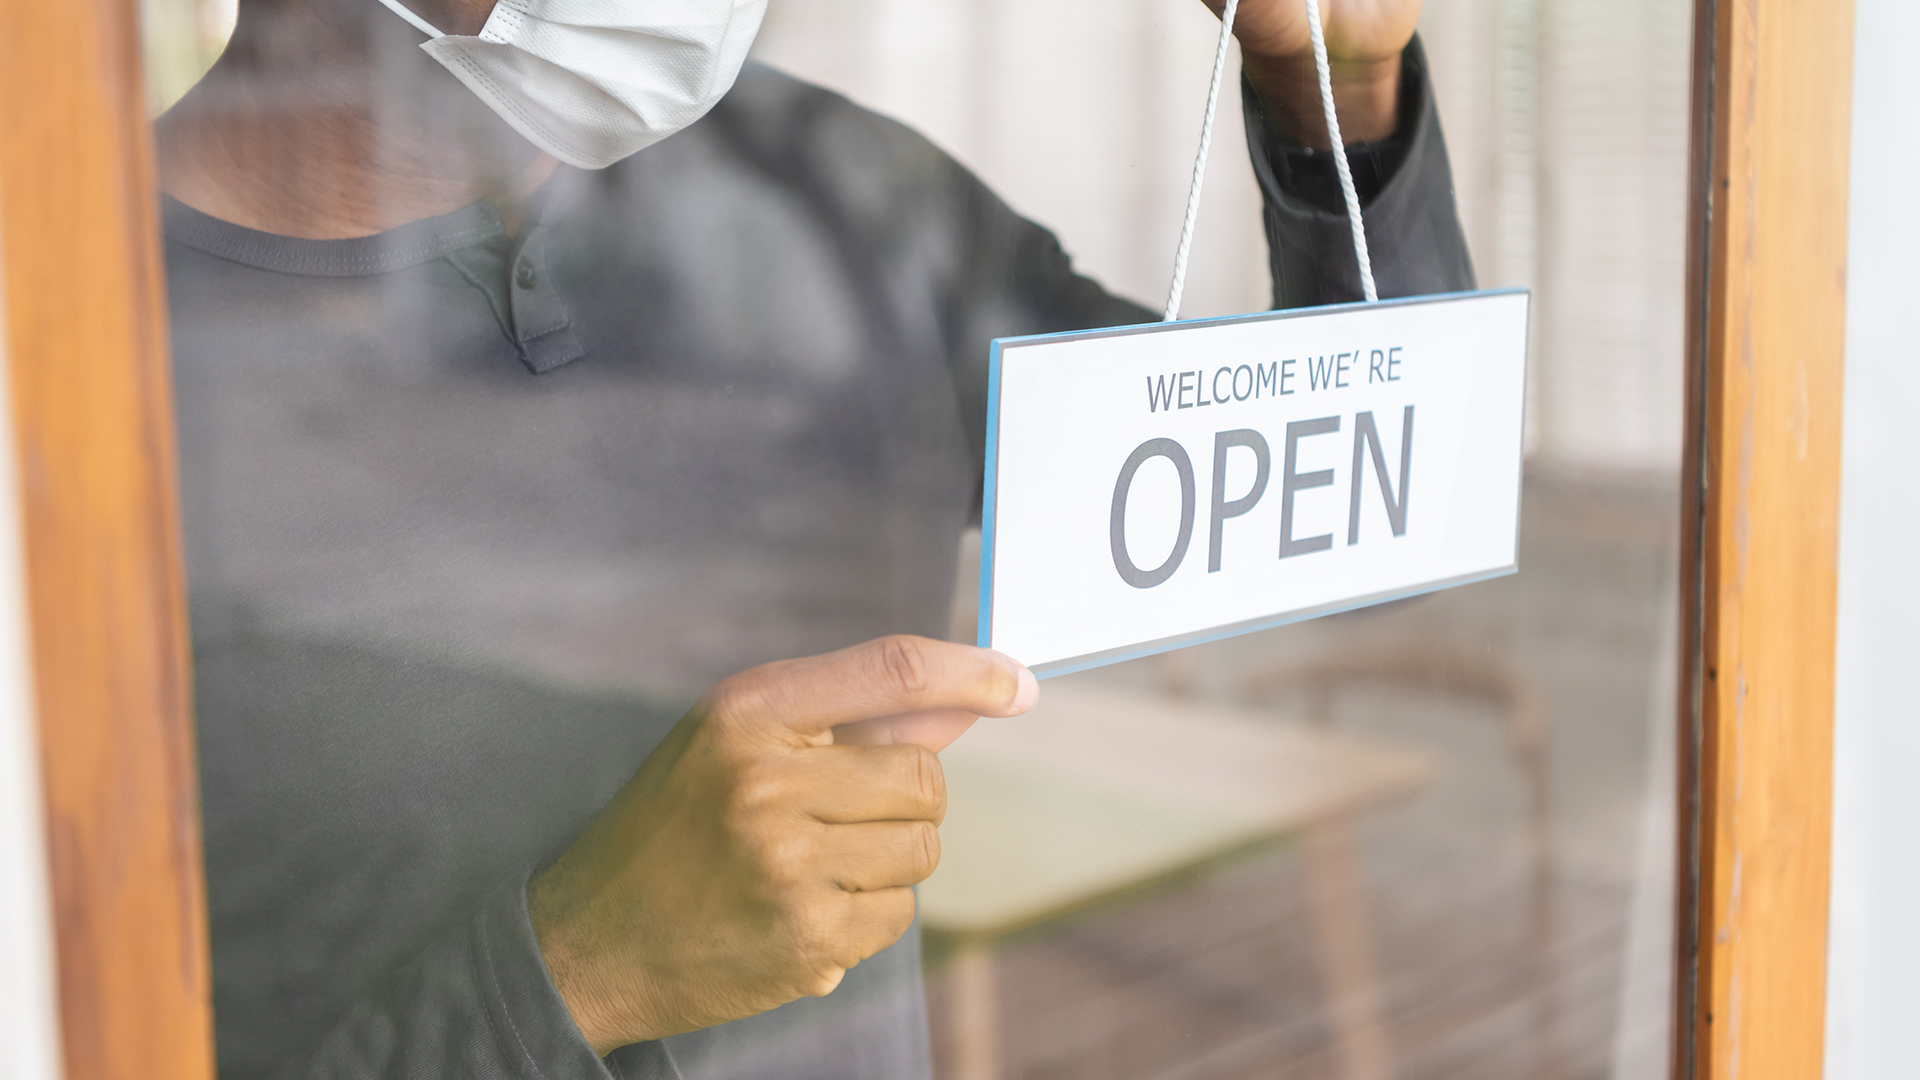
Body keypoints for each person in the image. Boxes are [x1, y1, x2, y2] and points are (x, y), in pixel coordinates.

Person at [154, 0, 1471, 1077]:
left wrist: (1335, 86)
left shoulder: (841, 199)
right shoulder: (74, 368)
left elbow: (1349, 526)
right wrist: (577, 975)